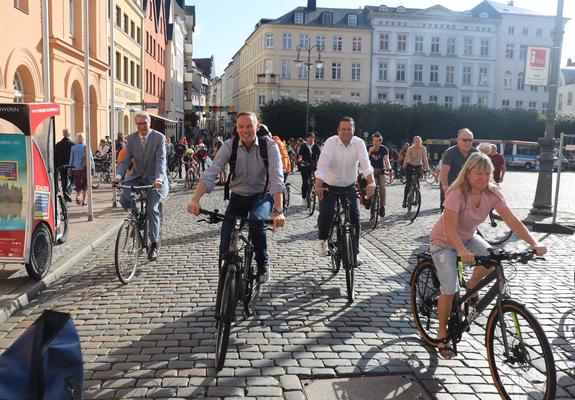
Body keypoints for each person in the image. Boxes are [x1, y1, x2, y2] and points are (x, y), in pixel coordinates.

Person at [429, 152, 546, 358]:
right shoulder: (456, 193)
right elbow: (449, 229)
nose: (483, 178)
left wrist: (534, 243)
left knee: (493, 258)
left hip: (468, 238)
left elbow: (512, 221)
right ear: (468, 173)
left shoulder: (493, 193)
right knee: (449, 287)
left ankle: (472, 286)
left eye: (487, 173)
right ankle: (441, 334)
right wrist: (462, 251)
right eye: (478, 174)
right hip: (444, 242)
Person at [187, 112, 285, 284]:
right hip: (238, 197)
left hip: (261, 196)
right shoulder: (229, 145)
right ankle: (226, 274)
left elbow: (276, 177)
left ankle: (263, 263)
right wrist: (195, 199)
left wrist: (278, 211)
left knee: (256, 223)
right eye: (241, 126)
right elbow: (213, 171)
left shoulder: (269, 145)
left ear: (257, 127)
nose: (245, 130)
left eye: (249, 126)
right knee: (226, 235)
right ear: (236, 128)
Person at [314, 116, 375, 265]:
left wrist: (371, 181)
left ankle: (355, 252)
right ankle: (322, 241)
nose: (347, 132)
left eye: (350, 129)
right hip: (329, 185)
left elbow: (365, 164)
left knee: (355, 217)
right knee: (327, 213)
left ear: (354, 130)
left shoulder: (359, 143)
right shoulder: (330, 143)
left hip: (349, 186)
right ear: (338, 130)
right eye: (343, 129)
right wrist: (318, 185)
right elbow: (322, 165)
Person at [113, 111, 169, 261]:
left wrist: (159, 179)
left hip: (154, 178)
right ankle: (135, 217)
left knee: (152, 209)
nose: (142, 126)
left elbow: (161, 161)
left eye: (144, 123)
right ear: (136, 124)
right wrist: (118, 177)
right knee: (124, 197)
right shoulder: (131, 139)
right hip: (137, 176)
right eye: (139, 124)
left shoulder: (159, 138)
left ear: (149, 123)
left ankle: (154, 245)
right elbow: (125, 160)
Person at [439, 128, 478, 209]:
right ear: (458, 140)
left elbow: (481, 171)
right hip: (451, 187)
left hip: (467, 189)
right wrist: (446, 188)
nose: (468, 142)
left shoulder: (475, 153)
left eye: (470, 140)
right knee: (448, 215)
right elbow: (444, 172)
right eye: (465, 140)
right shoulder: (450, 153)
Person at [367, 132, 392, 217]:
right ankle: (369, 199)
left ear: (380, 141)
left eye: (378, 141)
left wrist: (389, 168)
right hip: (371, 170)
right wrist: (369, 152)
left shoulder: (384, 149)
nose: (376, 143)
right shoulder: (368, 148)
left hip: (381, 169)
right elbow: (364, 160)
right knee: (369, 185)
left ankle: (382, 207)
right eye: (374, 141)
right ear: (372, 141)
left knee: (382, 186)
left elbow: (386, 160)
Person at [402, 136, 429, 208]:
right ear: (413, 142)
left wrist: (427, 168)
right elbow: (406, 157)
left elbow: (425, 159)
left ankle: (417, 198)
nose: (417, 143)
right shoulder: (410, 148)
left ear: (421, 142)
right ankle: (404, 200)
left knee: (417, 182)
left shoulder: (423, 148)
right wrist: (404, 166)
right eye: (416, 141)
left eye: (419, 141)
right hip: (410, 165)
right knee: (408, 183)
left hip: (418, 166)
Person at [68, 132, 94, 206]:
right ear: (83, 139)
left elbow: (71, 160)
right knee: (85, 185)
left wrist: (69, 170)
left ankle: (77, 196)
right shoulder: (86, 147)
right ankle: (84, 201)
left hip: (76, 169)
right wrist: (93, 169)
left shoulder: (73, 148)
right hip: (85, 169)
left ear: (76, 139)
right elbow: (91, 159)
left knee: (77, 183)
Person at [297, 132, 321, 200]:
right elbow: (300, 155)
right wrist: (300, 159)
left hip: (314, 165)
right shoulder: (303, 146)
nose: (311, 139)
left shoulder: (316, 146)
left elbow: (320, 155)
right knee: (305, 181)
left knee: (317, 180)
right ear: (307, 139)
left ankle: (313, 192)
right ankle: (304, 196)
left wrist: (319, 162)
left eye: (312, 138)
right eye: (309, 138)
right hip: (305, 165)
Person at [54, 128, 74, 202]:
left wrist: (56, 166)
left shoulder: (57, 145)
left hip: (61, 165)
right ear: (69, 134)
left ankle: (65, 194)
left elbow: (55, 156)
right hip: (70, 165)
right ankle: (67, 193)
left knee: (63, 180)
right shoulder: (73, 145)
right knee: (72, 180)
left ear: (63, 134)